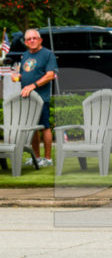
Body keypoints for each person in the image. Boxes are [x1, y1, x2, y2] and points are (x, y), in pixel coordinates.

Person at [18, 29, 58, 167]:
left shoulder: (47, 54)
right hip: (27, 98)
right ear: (26, 42)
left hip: (41, 98)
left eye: (34, 38)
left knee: (44, 126)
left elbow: (50, 75)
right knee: (32, 128)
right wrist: (18, 77)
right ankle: (36, 157)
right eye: (29, 39)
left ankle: (47, 159)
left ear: (40, 40)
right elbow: (26, 74)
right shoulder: (25, 55)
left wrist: (33, 86)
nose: (32, 40)